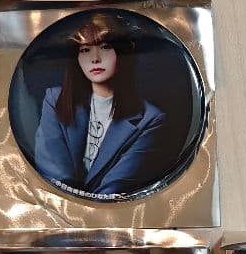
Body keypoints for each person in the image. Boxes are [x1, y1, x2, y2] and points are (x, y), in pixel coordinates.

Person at [33, 11, 170, 197]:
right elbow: (53, 170)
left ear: (122, 52)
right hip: (56, 204)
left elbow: (116, 186)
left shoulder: (150, 119)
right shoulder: (54, 98)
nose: (95, 58)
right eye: (85, 50)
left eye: (105, 47)